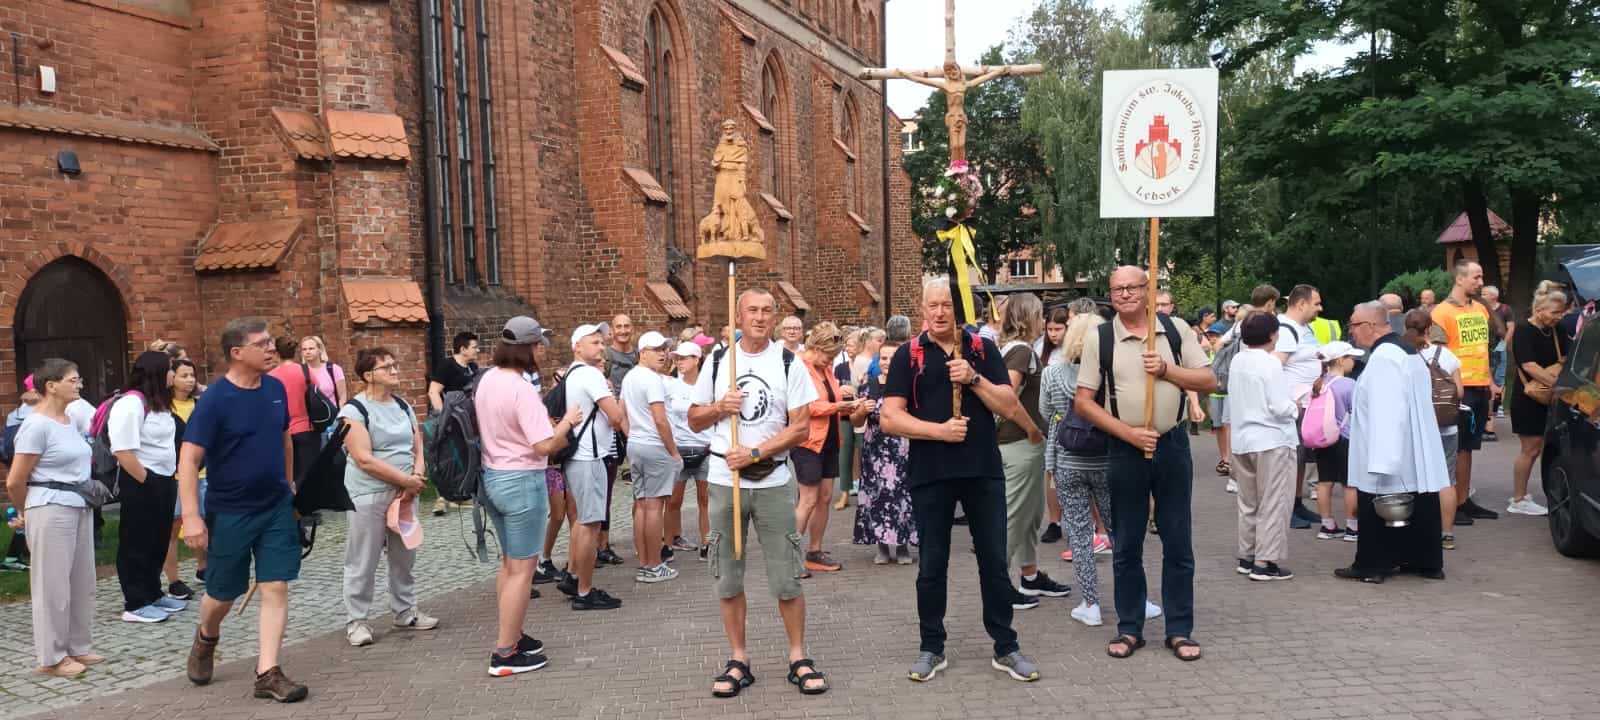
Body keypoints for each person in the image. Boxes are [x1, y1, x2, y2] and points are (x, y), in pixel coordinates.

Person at [881, 277, 1044, 684]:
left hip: (982, 469)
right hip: (931, 472)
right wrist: (939, 432)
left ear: (958, 309)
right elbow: (889, 418)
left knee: (993, 561)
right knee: (932, 565)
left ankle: (1005, 645)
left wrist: (973, 378)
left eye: (947, 305)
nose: (939, 313)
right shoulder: (908, 355)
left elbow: (1008, 404)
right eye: (932, 305)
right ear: (923, 309)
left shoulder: (982, 349)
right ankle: (931, 646)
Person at [688, 289, 829, 697]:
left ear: (775, 317)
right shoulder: (718, 360)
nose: (760, 317)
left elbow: (800, 427)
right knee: (728, 577)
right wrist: (720, 407)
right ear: (738, 314)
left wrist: (755, 452)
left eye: (767, 310)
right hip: (724, 481)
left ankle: (798, 656)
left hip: (772, 482)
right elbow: (694, 420)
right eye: (752, 309)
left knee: (787, 576)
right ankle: (739, 659)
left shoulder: (788, 362)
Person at [1076, 266, 1214, 662]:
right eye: (1117, 288)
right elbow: (1083, 402)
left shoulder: (1174, 330)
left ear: (1147, 289)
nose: (1124, 294)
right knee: (1127, 542)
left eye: (1132, 287)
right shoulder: (1101, 337)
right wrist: (1127, 432)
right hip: (1125, 449)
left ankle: (1179, 629)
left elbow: (1208, 381)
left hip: (1171, 445)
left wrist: (1167, 370)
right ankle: (1130, 627)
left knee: (1177, 540)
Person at [178, 318, 307, 702]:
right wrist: (191, 516)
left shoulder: (275, 388)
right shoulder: (215, 400)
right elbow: (189, 460)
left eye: (270, 342)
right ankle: (206, 637)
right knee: (223, 593)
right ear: (237, 353)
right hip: (230, 511)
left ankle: (267, 672)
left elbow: (285, 438)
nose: (271, 348)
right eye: (261, 344)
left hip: (275, 506)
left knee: (276, 584)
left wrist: (289, 484)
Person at [473, 317, 582, 675]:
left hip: (493, 476)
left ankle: (513, 634)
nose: (542, 351)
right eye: (539, 345)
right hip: (521, 481)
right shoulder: (521, 389)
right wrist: (567, 422)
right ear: (528, 348)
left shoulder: (487, 379)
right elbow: (544, 446)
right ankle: (505, 652)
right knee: (522, 570)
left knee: (510, 564)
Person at [1336, 302, 1450, 583]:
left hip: (1389, 447)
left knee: (1381, 501)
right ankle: (1423, 561)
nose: (1351, 332)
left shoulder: (1385, 358)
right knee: (1419, 499)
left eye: (1354, 325)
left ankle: (1373, 565)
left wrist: (1383, 459)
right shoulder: (1404, 350)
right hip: (1412, 445)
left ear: (1370, 326)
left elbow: (1386, 410)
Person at [5, 359, 100, 678]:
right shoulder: (36, 425)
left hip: (78, 504)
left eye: (78, 378)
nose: (79, 384)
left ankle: (77, 645)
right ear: (51, 386)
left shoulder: (69, 420)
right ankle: (52, 656)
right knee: (52, 584)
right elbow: (15, 480)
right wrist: (26, 512)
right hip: (50, 506)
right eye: (73, 380)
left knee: (82, 580)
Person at [340, 347, 439, 649]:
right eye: (386, 367)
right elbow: (363, 458)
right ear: (368, 375)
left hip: (405, 494)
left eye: (394, 365)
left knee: (404, 555)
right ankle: (357, 621)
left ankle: (405, 611)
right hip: (368, 493)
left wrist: (416, 476)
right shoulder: (354, 411)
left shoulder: (403, 405)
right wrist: (405, 480)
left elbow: (417, 445)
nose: (394, 370)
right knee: (363, 559)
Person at [1041, 313, 1130, 626]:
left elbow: (1044, 411)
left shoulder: (1053, 372)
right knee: (1120, 530)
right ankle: (1133, 597)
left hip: (1067, 460)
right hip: (1107, 459)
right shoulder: (1111, 373)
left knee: (1079, 534)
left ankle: (1090, 603)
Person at [995, 293, 1070, 602]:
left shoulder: (1011, 348)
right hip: (1020, 443)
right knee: (1015, 516)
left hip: (1018, 443)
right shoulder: (1022, 351)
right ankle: (998, 584)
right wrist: (1032, 429)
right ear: (1028, 317)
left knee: (1029, 514)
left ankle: (1030, 575)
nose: (1043, 321)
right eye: (1040, 315)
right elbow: (1006, 398)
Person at [554, 324, 628, 609]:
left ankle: (574, 575)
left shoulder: (572, 372)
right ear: (577, 346)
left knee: (582, 521)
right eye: (594, 342)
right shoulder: (590, 374)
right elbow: (616, 416)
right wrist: (614, 403)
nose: (601, 346)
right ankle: (584, 592)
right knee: (590, 524)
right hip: (590, 457)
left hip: (577, 456)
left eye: (601, 342)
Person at [110, 351, 185, 623]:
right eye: (170, 369)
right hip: (142, 481)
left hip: (165, 480)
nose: (173, 375)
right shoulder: (131, 404)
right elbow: (122, 450)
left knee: (158, 539)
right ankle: (135, 601)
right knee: (137, 541)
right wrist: (147, 480)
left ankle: (153, 592)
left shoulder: (161, 404)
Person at [1227, 313, 1300, 581]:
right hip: (1272, 439)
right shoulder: (1270, 364)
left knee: (1248, 502)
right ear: (1271, 335)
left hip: (1242, 439)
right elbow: (1279, 406)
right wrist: (1295, 407)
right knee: (1274, 501)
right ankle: (1265, 561)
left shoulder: (1238, 360)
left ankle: (1246, 555)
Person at [1431, 261, 1498, 522]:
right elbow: (1436, 355)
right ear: (1459, 279)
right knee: (1454, 447)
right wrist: (1451, 387)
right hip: (1458, 390)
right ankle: (1451, 505)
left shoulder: (1480, 309)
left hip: (1480, 386)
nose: (1480, 282)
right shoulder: (1441, 312)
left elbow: (1484, 348)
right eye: (1476, 277)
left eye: (1481, 277)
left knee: (1468, 447)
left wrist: (1490, 381)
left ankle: (1463, 499)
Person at [620, 330, 681, 582]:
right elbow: (660, 420)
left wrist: (633, 436)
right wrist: (674, 452)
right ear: (642, 352)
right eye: (656, 350)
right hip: (655, 446)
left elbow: (621, 414)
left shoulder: (630, 377)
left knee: (642, 505)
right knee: (654, 506)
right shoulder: (652, 379)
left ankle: (645, 562)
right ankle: (654, 565)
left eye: (664, 349)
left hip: (637, 445)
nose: (663, 354)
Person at [851, 336, 916, 564]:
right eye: (884, 358)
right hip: (876, 450)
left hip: (903, 448)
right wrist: (862, 411)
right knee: (877, 496)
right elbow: (855, 422)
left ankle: (902, 545)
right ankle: (882, 546)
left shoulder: (910, 384)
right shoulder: (869, 385)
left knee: (902, 496)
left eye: (893, 358)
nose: (888, 362)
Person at [794, 323, 852, 574]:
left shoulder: (824, 368)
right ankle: (789, 557)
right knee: (807, 499)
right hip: (807, 440)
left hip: (829, 438)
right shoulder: (798, 367)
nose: (831, 361)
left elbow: (830, 396)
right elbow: (802, 406)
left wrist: (845, 397)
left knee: (825, 497)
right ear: (816, 348)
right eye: (828, 356)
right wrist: (836, 407)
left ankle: (814, 551)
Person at [1507, 291, 1571, 516]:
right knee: (1531, 448)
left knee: (1546, 447)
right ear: (1539, 310)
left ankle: (1544, 491)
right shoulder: (1524, 330)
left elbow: (1567, 357)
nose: (1559, 317)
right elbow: (1529, 366)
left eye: (1561, 312)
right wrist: (1559, 384)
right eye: (1555, 312)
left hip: (1551, 397)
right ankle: (1518, 499)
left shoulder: (1557, 330)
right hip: (1528, 399)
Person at [1310, 342, 1363, 542]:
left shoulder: (1319, 383)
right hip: (1345, 438)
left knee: (1324, 482)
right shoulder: (1349, 384)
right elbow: (1357, 411)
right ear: (1341, 361)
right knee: (1350, 484)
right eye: (1351, 357)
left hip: (1323, 438)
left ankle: (1327, 525)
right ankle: (1352, 527)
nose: (1354, 361)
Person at [163, 359, 207, 600]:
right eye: (184, 375)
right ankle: (173, 580)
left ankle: (204, 567)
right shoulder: (164, 409)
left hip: (205, 473)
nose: (190, 380)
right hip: (176, 476)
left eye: (192, 375)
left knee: (204, 523)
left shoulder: (200, 404)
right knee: (173, 528)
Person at [664, 342, 711, 557]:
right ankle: (669, 542)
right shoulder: (671, 386)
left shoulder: (709, 386)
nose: (679, 362)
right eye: (677, 358)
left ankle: (707, 544)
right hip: (679, 448)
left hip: (706, 448)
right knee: (673, 500)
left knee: (705, 500)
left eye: (684, 358)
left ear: (696, 359)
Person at [429, 332, 479, 516]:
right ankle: (442, 497)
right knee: (448, 456)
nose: (477, 350)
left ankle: (463, 492)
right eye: (474, 347)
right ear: (463, 349)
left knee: (467, 454)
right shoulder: (447, 365)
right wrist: (443, 417)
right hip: (451, 419)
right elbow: (433, 392)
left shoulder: (472, 367)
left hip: (467, 420)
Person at [1036, 306, 1071, 543]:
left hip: (1075, 420)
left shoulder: (1075, 350)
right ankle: (1054, 521)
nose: (1053, 334)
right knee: (1052, 474)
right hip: (1055, 423)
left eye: (1058, 329)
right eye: (1050, 329)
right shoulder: (1042, 350)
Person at [267, 336, 318, 491]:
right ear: (295, 352)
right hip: (307, 428)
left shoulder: (270, 377)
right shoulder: (306, 371)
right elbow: (317, 394)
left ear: (276, 353)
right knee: (308, 476)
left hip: (281, 432)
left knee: (286, 475)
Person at [1482, 285, 1515, 437]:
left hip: (1499, 348)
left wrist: (1502, 346)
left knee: (1499, 379)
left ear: (1493, 296)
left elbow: (1511, 328)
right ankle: (1487, 416)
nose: (1482, 296)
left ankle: (1497, 407)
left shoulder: (1505, 309)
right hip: (1484, 348)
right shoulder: (1480, 309)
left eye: (1485, 294)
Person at [1206, 321, 1234, 486]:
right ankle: (1224, 458)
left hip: (1228, 391)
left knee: (1227, 424)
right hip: (1214, 392)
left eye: (1216, 335)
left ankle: (1229, 459)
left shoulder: (1229, 350)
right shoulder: (1207, 351)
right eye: (1210, 335)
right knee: (1218, 426)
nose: (1212, 338)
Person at [299, 336, 347, 410]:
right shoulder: (299, 371)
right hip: (309, 415)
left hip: (332, 414)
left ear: (320, 350)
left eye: (311, 348)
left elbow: (342, 396)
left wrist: (341, 413)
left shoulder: (333, 369)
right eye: (304, 349)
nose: (307, 352)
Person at [605, 313, 638, 390]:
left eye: (626, 326)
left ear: (632, 330)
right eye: (618, 327)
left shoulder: (640, 355)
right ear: (611, 331)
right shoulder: (604, 356)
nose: (623, 331)